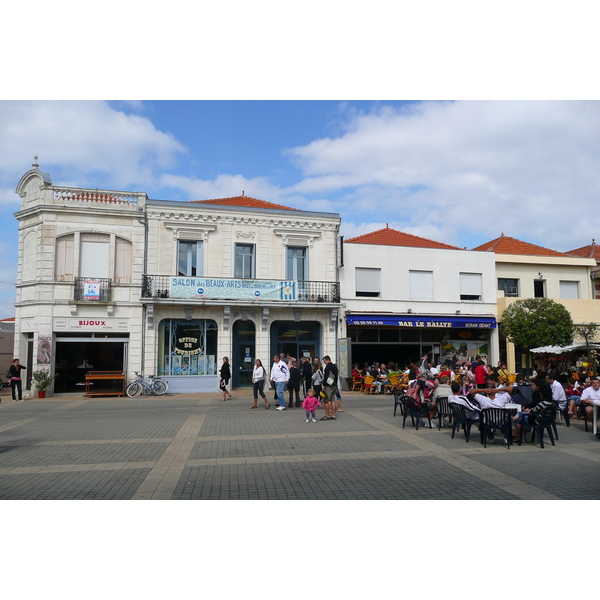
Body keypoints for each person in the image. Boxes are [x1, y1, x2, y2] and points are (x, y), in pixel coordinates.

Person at [320, 355, 339, 421]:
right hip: (334, 385)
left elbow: (326, 377)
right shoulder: (335, 367)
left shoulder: (328, 367)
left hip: (328, 385)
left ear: (327, 360)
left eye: (324, 361)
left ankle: (327, 415)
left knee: (326, 400)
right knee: (333, 400)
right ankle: (333, 415)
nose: (324, 362)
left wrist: (324, 385)